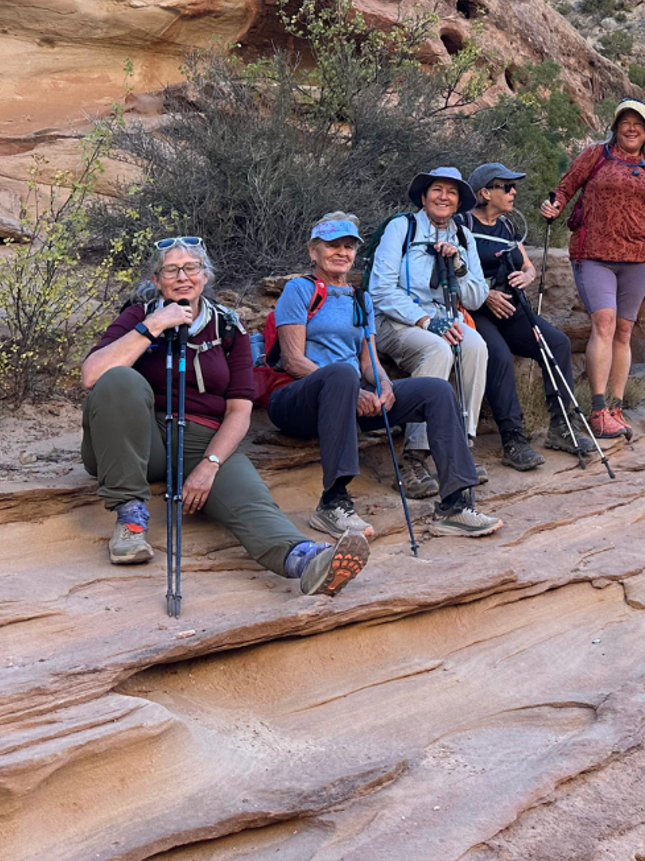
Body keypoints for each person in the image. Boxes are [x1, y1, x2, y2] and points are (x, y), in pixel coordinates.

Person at [79, 236, 369, 596]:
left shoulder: (229, 328)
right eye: (171, 269)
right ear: (156, 280)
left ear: (206, 276)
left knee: (251, 499)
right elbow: (92, 375)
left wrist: (210, 464)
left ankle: (308, 561)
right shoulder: (138, 316)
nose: (183, 276)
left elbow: (240, 408)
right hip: (135, 438)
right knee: (120, 378)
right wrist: (154, 325)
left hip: (202, 439)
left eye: (192, 268)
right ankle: (130, 520)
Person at [264, 213, 500, 538]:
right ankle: (333, 503)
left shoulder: (360, 298)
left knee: (435, 391)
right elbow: (292, 360)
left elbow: (368, 363)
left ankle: (454, 506)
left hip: (348, 400)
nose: (342, 252)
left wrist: (384, 385)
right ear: (313, 251)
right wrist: (353, 390)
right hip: (297, 400)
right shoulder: (299, 290)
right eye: (332, 246)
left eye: (348, 247)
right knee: (341, 377)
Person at [540, 100, 645, 441]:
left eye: (638, 123)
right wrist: (555, 204)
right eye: (625, 122)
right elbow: (566, 186)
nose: (631, 128)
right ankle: (598, 410)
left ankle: (617, 409)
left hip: (637, 259)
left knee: (623, 331)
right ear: (616, 126)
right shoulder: (595, 155)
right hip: (594, 254)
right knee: (603, 323)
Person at [369, 167, 493, 486]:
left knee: (475, 346)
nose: (444, 197)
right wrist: (424, 320)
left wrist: (459, 266)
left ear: (458, 202)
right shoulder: (402, 228)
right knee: (438, 349)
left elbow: (477, 298)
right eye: (437, 189)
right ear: (424, 197)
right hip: (397, 320)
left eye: (451, 192)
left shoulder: (463, 236)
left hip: (445, 319)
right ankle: (416, 456)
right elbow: (380, 289)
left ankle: (459, 448)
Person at [466, 162, 597, 461]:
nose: (513, 192)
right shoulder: (463, 225)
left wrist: (527, 276)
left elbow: (527, 265)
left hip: (511, 307)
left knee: (557, 343)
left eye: (514, 187)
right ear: (485, 192)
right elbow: (456, 273)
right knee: (497, 355)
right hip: (478, 311)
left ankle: (561, 426)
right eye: (506, 187)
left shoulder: (507, 226)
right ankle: (513, 439)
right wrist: (485, 295)